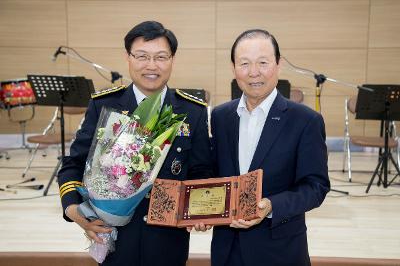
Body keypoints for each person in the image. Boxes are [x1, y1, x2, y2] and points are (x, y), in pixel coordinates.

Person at [57, 20, 213, 266]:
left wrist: (201, 210)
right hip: (115, 239)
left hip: (168, 242)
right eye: (142, 56)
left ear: (172, 59)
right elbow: (73, 164)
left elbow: (202, 170)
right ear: (128, 58)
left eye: (161, 57)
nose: (151, 66)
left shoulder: (192, 111)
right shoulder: (104, 106)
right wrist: (74, 211)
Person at [210, 29, 330, 266]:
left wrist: (272, 205)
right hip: (227, 249)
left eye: (263, 62)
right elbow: (214, 174)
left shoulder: (305, 121)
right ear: (233, 68)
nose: (254, 72)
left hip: (279, 251)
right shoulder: (221, 116)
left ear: (279, 64)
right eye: (244, 63)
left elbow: (316, 186)